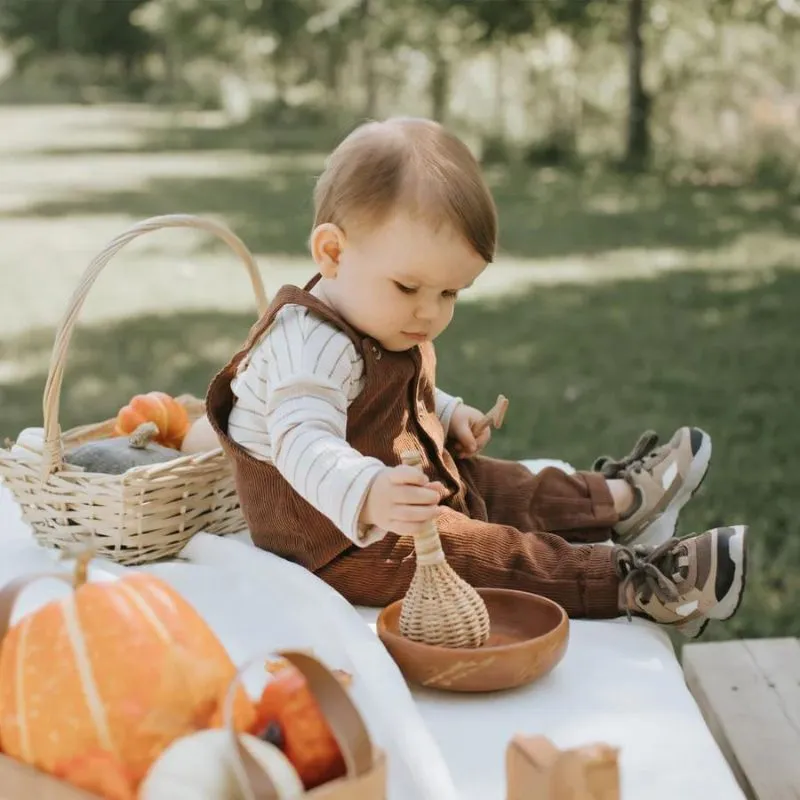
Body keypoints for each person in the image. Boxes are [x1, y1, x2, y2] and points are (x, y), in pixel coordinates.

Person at [206, 117, 747, 639]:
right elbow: (303, 440)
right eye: (409, 287)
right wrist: (367, 492)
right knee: (486, 554)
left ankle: (617, 501)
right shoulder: (308, 344)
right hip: (337, 540)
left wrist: (445, 412)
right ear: (332, 252)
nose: (429, 313)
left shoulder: (374, 313)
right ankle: (633, 582)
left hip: (398, 489)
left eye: (449, 294)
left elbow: (381, 391)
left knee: (497, 485)